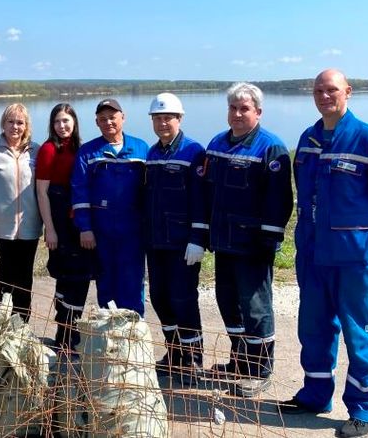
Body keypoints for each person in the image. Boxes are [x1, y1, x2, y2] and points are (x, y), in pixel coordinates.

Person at [280, 69, 368, 438]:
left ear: (347, 92)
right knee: (314, 328)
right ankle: (315, 395)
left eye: (332, 90)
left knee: (361, 332)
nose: (325, 96)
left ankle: (365, 409)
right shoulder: (308, 140)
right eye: (319, 90)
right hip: (313, 255)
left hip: (354, 259)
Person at [204, 82, 293, 398]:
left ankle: (260, 370)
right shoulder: (217, 143)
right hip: (223, 241)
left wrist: (269, 239)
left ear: (258, 112)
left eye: (245, 109)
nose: (238, 114)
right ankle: (239, 361)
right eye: (233, 108)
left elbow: (279, 200)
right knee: (228, 303)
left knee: (255, 307)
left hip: (253, 244)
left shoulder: (271, 148)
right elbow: (208, 190)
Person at [144, 93, 209, 385]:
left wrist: (198, 238)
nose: (162, 123)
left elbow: (200, 199)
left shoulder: (194, 152)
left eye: (167, 118)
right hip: (156, 241)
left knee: (183, 299)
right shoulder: (152, 154)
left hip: (183, 243)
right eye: (157, 118)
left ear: (179, 119)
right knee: (160, 298)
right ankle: (174, 354)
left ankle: (193, 360)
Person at [70, 98, 149, 314]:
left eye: (112, 117)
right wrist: (85, 228)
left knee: (133, 279)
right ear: (96, 122)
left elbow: (150, 190)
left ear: (123, 117)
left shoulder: (141, 148)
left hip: (133, 229)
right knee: (105, 279)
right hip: (101, 229)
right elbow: (80, 191)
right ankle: (109, 328)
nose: (108, 122)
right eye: (102, 119)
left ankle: (133, 328)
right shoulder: (88, 152)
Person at [36, 103, 95, 352]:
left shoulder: (81, 148)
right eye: (57, 121)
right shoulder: (49, 149)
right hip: (60, 218)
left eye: (66, 121)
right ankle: (65, 334)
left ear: (74, 122)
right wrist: (49, 228)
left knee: (81, 277)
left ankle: (70, 333)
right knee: (67, 277)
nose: (62, 126)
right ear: (52, 125)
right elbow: (42, 192)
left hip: (79, 216)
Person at [0, 103, 42, 321]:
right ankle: (5, 325)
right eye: (10, 121)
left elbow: (43, 190)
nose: (15, 127)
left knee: (25, 281)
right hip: (1, 230)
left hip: (29, 228)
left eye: (20, 123)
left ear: (26, 126)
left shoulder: (36, 151)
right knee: (5, 281)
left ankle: (22, 328)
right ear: (3, 124)